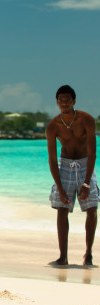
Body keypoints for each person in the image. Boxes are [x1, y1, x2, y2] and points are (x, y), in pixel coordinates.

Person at [46, 85, 98, 266]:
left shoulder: (87, 120)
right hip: (65, 165)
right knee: (62, 209)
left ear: (74, 101)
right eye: (61, 100)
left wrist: (87, 182)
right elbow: (52, 159)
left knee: (91, 209)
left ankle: (89, 253)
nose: (64, 103)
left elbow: (93, 153)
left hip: (85, 164)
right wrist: (60, 188)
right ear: (57, 102)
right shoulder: (53, 126)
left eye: (68, 100)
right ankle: (63, 256)